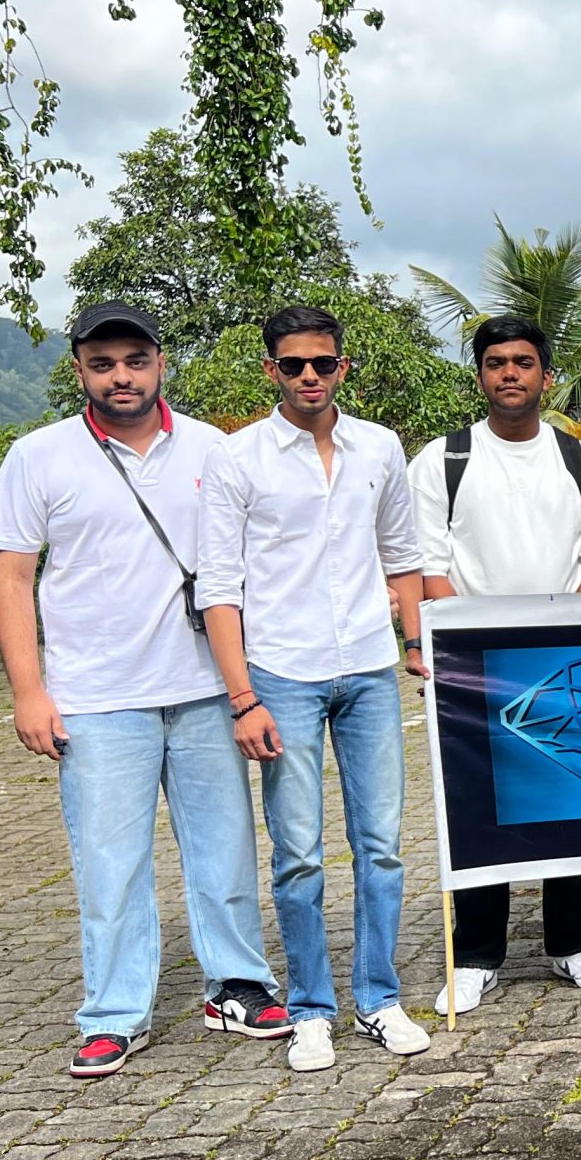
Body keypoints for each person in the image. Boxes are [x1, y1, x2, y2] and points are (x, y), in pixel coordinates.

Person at [0, 302, 289, 1079]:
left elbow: (255, 563)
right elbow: (12, 577)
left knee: (223, 850)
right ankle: (114, 1015)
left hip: (205, 689)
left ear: (161, 362)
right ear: (80, 369)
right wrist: (29, 691)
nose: (121, 377)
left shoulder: (216, 450)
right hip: (94, 695)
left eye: (135, 360)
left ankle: (239, 986)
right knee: (109, 863)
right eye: (103, 363)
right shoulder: (38, 455)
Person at [198, 303, 431, 1073]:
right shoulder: (240, 458)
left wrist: (413, 641)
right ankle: (309, 1009)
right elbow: (219, 588)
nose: (308, 376)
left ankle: (380, 998)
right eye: (292, 364)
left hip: (367, 669)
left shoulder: (381, 447)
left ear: (343, 367)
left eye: (321, 363)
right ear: (270, 370)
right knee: (298, 854)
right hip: (281, 674)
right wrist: (242, 697)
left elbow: (401, 554)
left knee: (383, 848)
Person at [412, 314, 581, 1013]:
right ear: (479, 375)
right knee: (480, 806)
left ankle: (572, 944)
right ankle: (475, 955)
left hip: (564, 651)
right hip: (471, 662)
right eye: (497, 362)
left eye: (524, 362)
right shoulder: (441, 460)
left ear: (546, 375)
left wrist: (554, 627)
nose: (511, 373)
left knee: (570, 794)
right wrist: (473, 639)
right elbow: (427, 565)